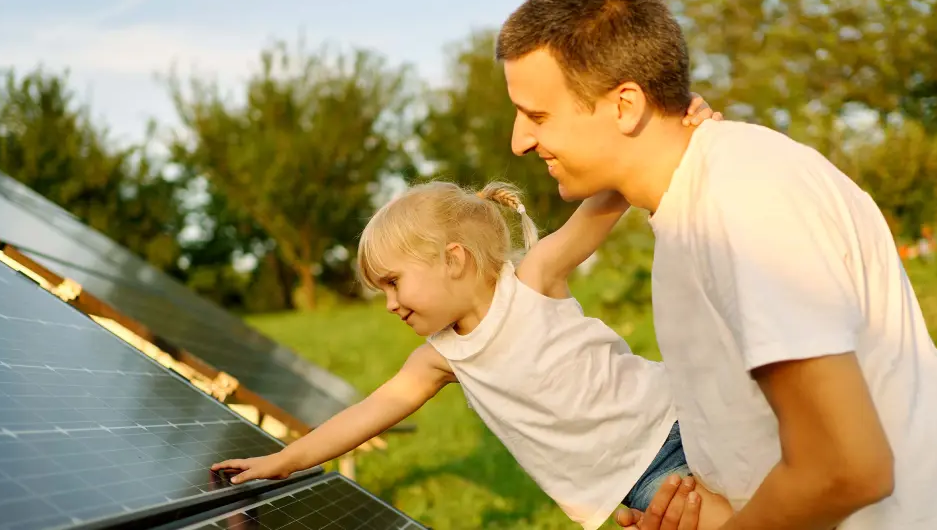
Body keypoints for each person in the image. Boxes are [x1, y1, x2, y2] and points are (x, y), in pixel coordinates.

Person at [497, 0, 937, 530]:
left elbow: (846, 467)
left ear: (625, 105)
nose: (519, 140)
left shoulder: (742, 198)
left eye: (538, 115)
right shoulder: (687, 207)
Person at [209, 106, 734, 530]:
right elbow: (370, 412)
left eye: (394, 282)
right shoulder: (440, 358)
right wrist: (283, 460)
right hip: (632, 481)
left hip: (678, 417)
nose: (390, 303)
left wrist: (682, 133)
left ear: (454, 259)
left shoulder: (535, 279)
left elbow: (609, 198)